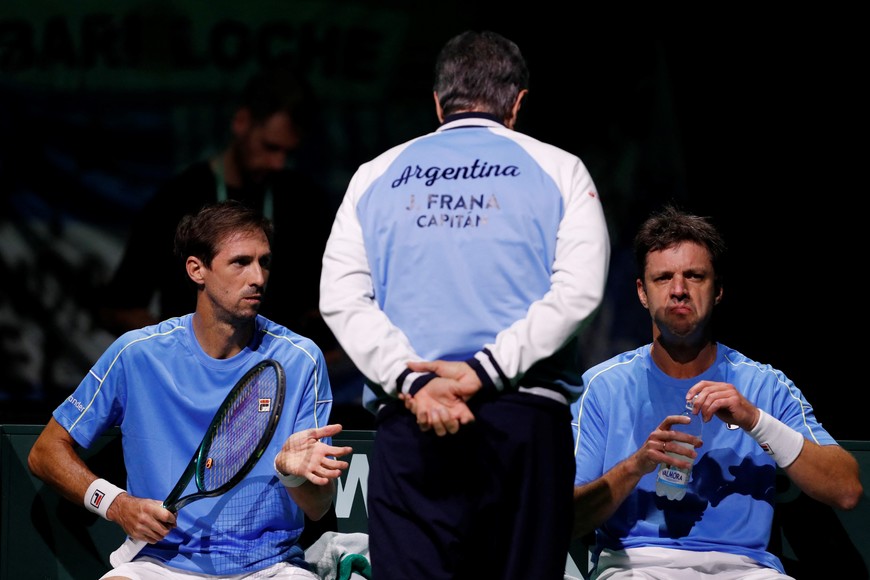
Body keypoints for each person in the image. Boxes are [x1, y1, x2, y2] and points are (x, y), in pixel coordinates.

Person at [319, 30, 611, 580]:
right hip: (524, 422)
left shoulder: (373, 176)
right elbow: (579, 292)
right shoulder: (562, 169)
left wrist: (416, 385)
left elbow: (340, 298)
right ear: (519, 103)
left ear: (437, 102)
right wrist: (484, 372)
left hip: (413, 424)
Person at [29, 200, 352, 579]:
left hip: (271, 567)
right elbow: (45, 452)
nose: (258, 278)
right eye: (240, 262)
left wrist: (293, 475)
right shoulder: (138, 355)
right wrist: (116, 504)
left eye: (264, 262)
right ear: (197, 269)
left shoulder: (300, 359)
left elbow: (317, 507)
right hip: (157, 565)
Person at [570, 204, 863, 579]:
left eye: (694, 276)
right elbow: (563, 519)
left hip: (748, 570)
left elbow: (847, 489)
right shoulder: (602, 386)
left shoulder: (764, 384)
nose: (679, 290)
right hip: (637, 567)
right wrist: (637, 464)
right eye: (663, 278)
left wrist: (756, 421)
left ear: (718, 289)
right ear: (642, 292)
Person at [98, 65, 339, 369]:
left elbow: (333, 314)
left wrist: (300, 365)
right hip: (191, 381)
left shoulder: (306, 203)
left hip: (278, 383)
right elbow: (119, 307)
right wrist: (183, 357)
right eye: (269, 147)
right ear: (241, 122)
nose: (278, 163)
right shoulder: (177, 199)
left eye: (287, 152)